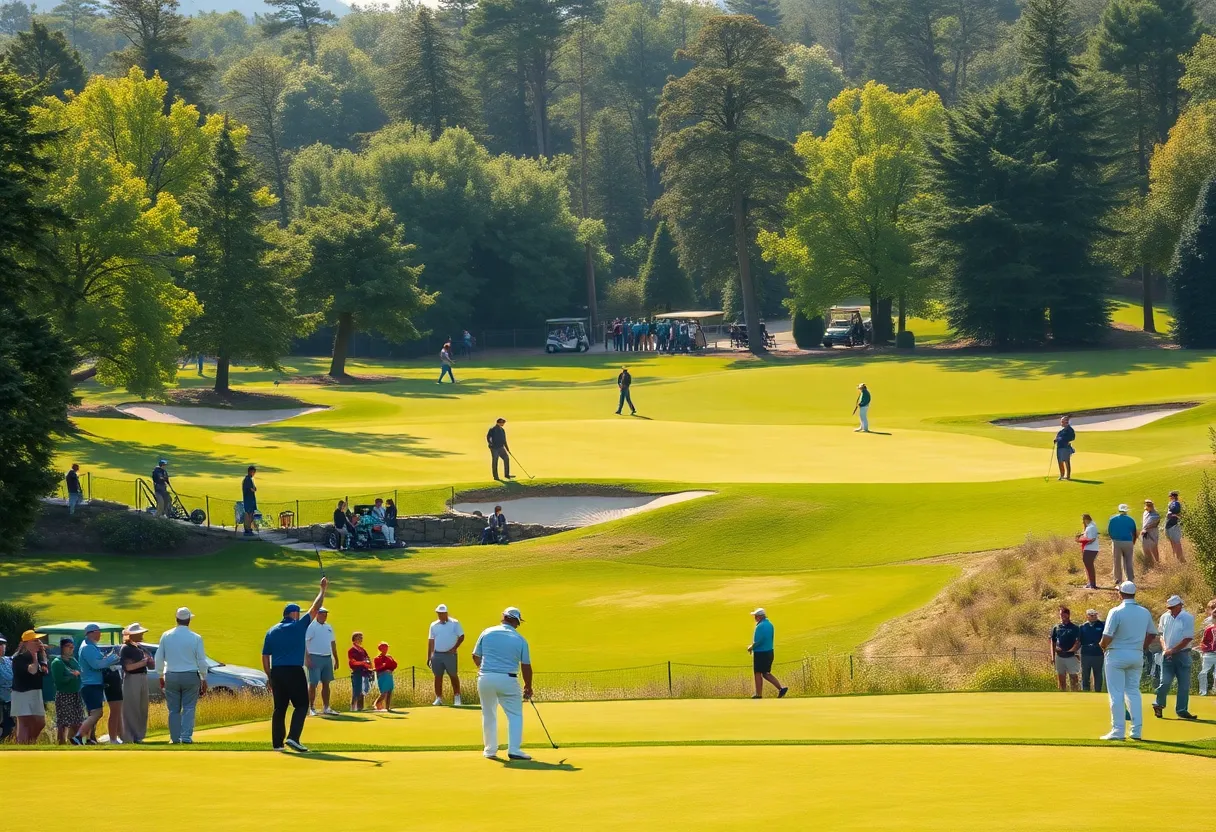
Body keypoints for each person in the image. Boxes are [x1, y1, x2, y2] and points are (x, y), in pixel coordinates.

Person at [261, 577, 328, 752]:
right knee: (302, 705)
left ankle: (277, 744)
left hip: (277, 672)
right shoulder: (299, 626)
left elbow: (265, 656)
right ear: (294, 614)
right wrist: (322, 589)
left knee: (280, 708)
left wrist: (269, 676)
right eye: (298, 612)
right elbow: (315, 608)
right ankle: (293, 737)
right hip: (294, 671)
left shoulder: (271, 630)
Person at [1099, 581, 1159, 740]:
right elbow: (1152, 634)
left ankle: (1118, 730)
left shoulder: (1116, 611)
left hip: (1117, 654)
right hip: (1136, 655)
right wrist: (1142, 647)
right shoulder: (1144, 612)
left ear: (1120, 593)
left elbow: (1107, 636)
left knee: (1116, 693)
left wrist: (1102, 646)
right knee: (1133, 692)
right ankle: (1136, 731)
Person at [472, 606, 533, 761]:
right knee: (515, 714)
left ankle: (490, 751)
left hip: (485, 678)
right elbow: (525, 666)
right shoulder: (520, 639)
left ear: (504, 617)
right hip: (508, 679)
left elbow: (475, 655)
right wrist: (528, 686)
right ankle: (514, 750)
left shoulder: (487, 632)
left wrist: (484, 669)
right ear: (516, 622)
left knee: (488, 714)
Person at [155, 607, 209, 744]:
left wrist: (160, 675)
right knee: (189, 707)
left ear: (176, 619)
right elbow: (201, 660)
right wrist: (204, 678)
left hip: (172, 675)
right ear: (189, 620)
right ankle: (186, 737)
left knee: (173, 710)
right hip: (190, 675)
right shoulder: (196, 638)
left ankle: (174, 738)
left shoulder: (166, 635)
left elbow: (159, 658)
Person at [1153, 595, 1198, 720]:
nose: (1170, 610)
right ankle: (1158, 704)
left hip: (1183, 654)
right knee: (1165, 682)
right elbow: (1161, 635)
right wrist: (1166, 649)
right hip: (1167, 654)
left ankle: (1182, 710)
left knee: (1184, 684)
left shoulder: (1187, 617)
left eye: (1173, 607)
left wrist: (1173, 650)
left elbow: (1187, 638)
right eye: (1169, 608)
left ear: (1179, 606)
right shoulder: (1164, 616)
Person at [75, 623, 120, 744]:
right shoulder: (88, 647)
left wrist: (108, 657)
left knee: (93, 712)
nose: (100, 634)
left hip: (92, 684)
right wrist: (113, 658)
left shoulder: (90, 646)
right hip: (91, 684)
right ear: (91, 633)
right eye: (98, 632)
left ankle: (88, 738)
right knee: (97, 712)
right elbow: (97, 664)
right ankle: (79, 736)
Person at [11, 630, 48, 744]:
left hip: (36, 692)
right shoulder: (18, 658)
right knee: (24, 722)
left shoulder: (40, 656)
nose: (38, 643)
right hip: (22, 693)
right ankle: (23, 746)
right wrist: (34, 657)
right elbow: (32, 670)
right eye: (35, 641)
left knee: (40, 722)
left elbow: (45, 671)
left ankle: (30, 742)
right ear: (27, 643)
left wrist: (43, 656)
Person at [119, 624, 153, 743]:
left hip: (143, 677)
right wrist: (143, 662)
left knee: (142, 708)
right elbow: (128, 667)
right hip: (132, 678)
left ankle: (139, 735)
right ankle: (130, 736)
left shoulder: (140, 648)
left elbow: (151, 664)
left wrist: (149, 661)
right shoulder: (126, 648)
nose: (142, 635)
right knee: (132, 708)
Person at [428, 603, 465, 706]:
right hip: (437, 654)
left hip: (450, 655)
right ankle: (438, 698)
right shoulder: (433, 625)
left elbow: (461, 636)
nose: (439, 615)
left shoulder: (455, 623)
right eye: (438, 613)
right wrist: (430, 655)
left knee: (453, 676)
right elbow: (431, 640)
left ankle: (457, 697)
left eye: (441, 613)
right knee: (437, 677)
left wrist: (454, 648)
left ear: (446, 613)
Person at [747, 608, 789, 699]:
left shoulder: (760, 626)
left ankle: (758, 694)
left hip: (760, 653)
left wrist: (751, 647)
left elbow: (758, 641)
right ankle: (781, 689)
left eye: (756, 616)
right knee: (766, 673)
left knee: (758, 673)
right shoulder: (770, 624)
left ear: (759, 617)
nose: (755, 618)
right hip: (769, 652)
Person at [50, 638, 84, 745]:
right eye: (68, 646)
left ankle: (75, 741)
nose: (71, 649)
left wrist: (77, 674)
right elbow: (58, 680)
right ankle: (61, 742)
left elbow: (79, 672)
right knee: (63, 721)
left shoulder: (73, 660)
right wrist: (71, 676)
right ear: (62, 648)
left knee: (78, 720)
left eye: (72, 647)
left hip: (76, 693)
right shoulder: (57, 662)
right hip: (64, 694)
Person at [306, 607, 339, 716]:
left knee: (326, 683)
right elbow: (304, 642)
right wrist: (307, 658)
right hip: (314, 657)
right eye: (322, 614)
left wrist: (336, 659)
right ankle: (311, 708)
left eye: (325, 614)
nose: (324, 616)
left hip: (327, 657)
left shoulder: (329, 627)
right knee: (313, 683)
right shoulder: (311, 627)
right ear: (317, 614)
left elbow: (333, 644)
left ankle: (326, 707)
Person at [1050, 607, 1082, 691]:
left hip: (1071, 657)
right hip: (1059, 657)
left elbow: (1078, 641)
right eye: (1060, 614)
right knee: (1061, 678)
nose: (1061, 616)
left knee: (1074, 678)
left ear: (1068, 615)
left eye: (1063, 614)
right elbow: (1052, 642)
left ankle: (1075, 695)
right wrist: (1053, 657)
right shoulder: (1056, 627)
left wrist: (1073, 650)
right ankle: (1062, 694)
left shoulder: (1075, 628)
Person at [1108, 504, 1138, 585]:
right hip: (1128, 542)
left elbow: (1110, 532)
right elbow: (1135, 533)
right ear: (1126, 511)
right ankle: (1130, 580)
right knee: (1128, 561)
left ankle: (1118, 580)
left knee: (1117, 561)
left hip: (1116, 542)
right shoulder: (1131, 520)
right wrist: (1133, 542)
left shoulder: (1112, 519)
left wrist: (1113, 540)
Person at [1079, 609, 1105, 693]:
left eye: (1095, 615)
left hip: (1098, 654)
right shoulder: (1083, 627)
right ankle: (1086, 691)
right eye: (1091, 615)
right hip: (1086, 654)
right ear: (1087, 616)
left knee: (1098, 674)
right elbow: (1079, 640)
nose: (1094, 616)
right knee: (1085, 674)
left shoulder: (1102, 625)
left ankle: (1098, 691)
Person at [348, 632, 373, 712]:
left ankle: (360, 709)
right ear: (354, 639)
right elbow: (352, 662)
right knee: (356, 691)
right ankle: (353, 708)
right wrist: (363, 663)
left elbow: (368, 659)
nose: (361, 639)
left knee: (363, 692)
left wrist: (369, 664)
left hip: (364, 673)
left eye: (361, 638)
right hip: (357, 672)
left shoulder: (362, 650)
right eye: (359, 638)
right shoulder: (352, 650)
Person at [1076, 514, 1100, 589]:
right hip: (1090, 549)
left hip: (1091, 549)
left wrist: (1081, 541)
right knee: (1088, 566)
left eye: (1082, 520)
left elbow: (1092, 539)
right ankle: (1090, 583)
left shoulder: (1091, 527)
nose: (1082, 522)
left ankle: (1092, 584)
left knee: (1089, 566)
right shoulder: (1091, 527)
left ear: (1085, 519)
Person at [373, 642, 397, 712]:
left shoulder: (389, 657)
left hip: (389, 675)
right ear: (382, 649)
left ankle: (387, 707)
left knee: (389, 691)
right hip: (383, 676)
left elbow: (394, 665)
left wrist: (388, 665)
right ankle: (377, 703)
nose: (387, 649)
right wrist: (384, 666)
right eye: (385, 648)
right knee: (384, 692)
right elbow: (378, 668)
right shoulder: (377, 658)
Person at [1200, 605, 1216, 696]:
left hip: (1211, 653)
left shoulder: (1209, 628)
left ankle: (1213, 690)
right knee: (1203, 672)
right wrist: (1204, 649)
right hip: (1209, 653)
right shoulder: (1209, 628)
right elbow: (1203, 641)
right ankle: (1203, 691)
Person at [1054, 415, 1076, 481]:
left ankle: (1068, 476)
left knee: (1066, 461)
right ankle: (1062, 475)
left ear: (1066, 422)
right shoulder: (1061, 431)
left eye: (1062, 422)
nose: (1061, 423)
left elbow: (1072, 437)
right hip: (1059, 447)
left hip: (1065, 447)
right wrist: (1056, 440)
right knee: (1060, 461)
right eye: (1061, 422)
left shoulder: (1070, 430)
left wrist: (1062, 439)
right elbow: (1058, 437)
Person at [1141, 499, 1161, 567]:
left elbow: (1155, 524)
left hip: (1152, 533)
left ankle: (1157, 563)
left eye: (1147, 506)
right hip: (1145, 534)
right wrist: (1144, 529)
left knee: (1154, 548)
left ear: (1151, 506)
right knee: (1145, 549)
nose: (1146, 508)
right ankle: (1151, 563)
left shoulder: (1155, 515)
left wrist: (1145, 529)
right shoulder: (1145, 512)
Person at [1165, 490, 1184, 561]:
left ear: (1173, 496)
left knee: (1176, 542)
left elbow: (1175, 510)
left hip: (1174, 525)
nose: (1169, 498)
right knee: (1173, 542)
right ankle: (1177, 558)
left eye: (1170, 496)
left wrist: (1171, 512)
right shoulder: (1173, 503)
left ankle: (1181, 558)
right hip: (1170, 525)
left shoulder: (1175, 503)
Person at [0, 635, 12, 742]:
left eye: (3, 644)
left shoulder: (8, 660)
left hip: (10, 701)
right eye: (0, 644)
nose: (2, 647)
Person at [241, 465, 258, 537]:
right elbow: (252, 489)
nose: (254, 474)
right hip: (249, 499)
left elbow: (254, 488)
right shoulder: (247, 480)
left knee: (251, 513)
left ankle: (249, 528)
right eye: (253, 472)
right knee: (248, 513)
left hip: (250, 499)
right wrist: (254, 489)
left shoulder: (249, 479)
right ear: (251, 472)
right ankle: (247, 528)